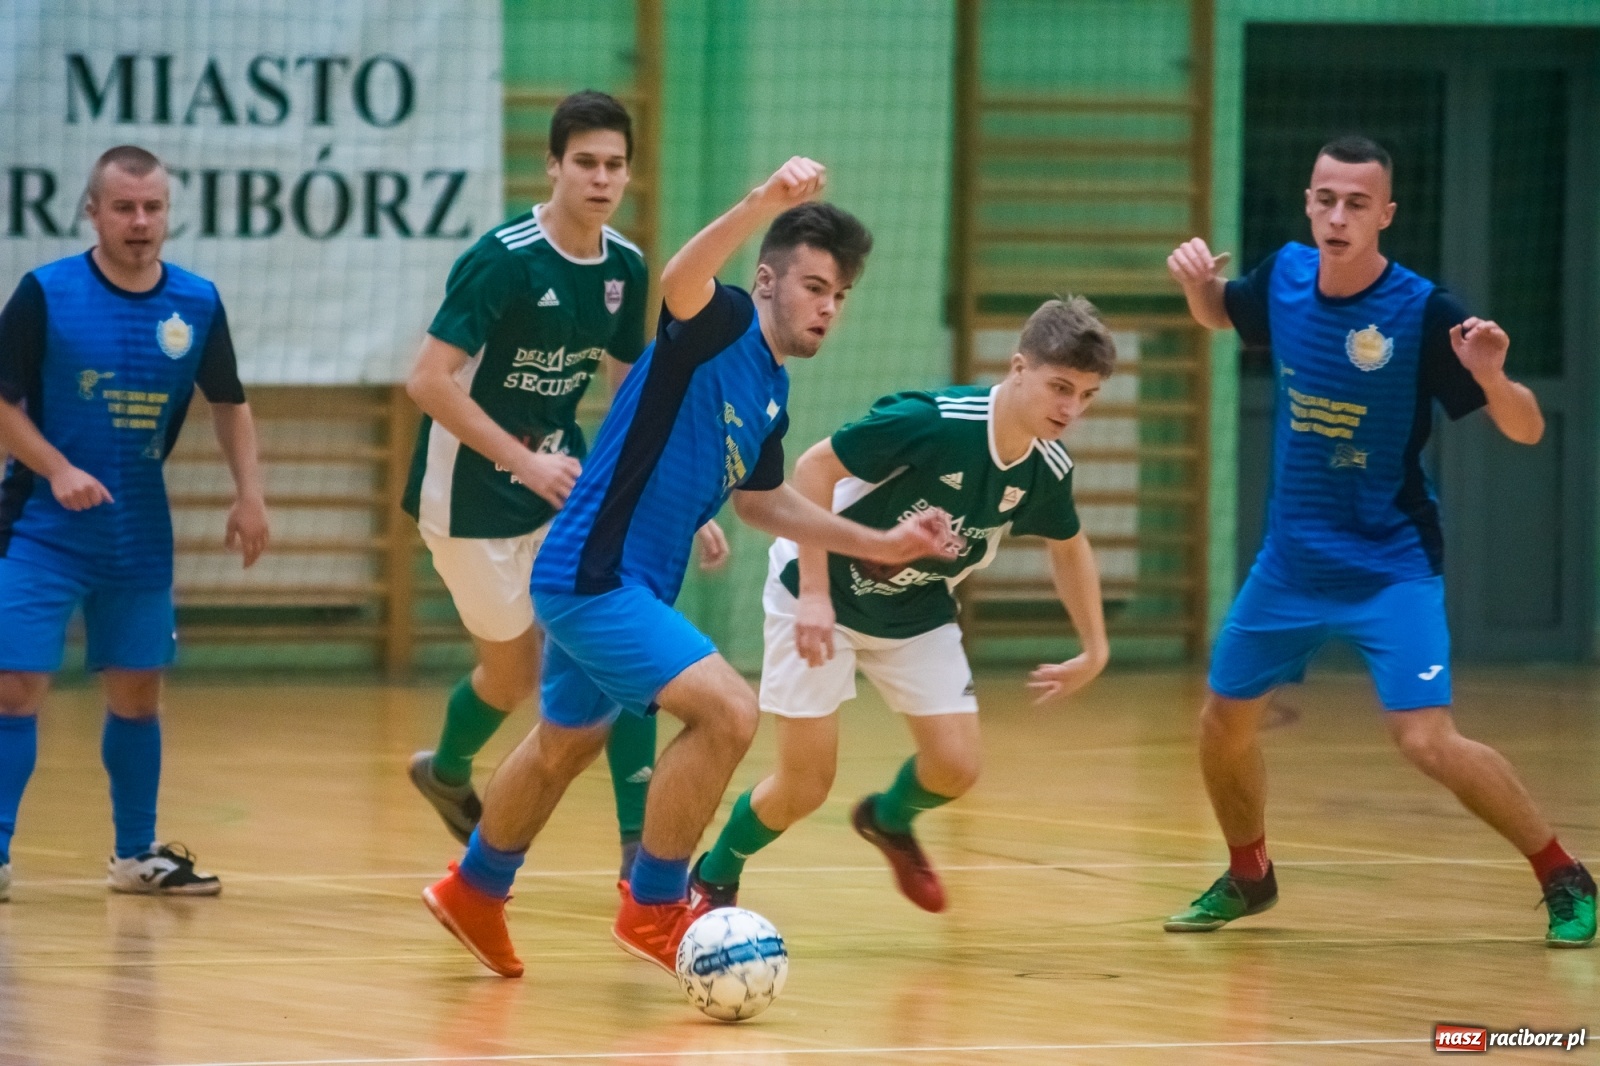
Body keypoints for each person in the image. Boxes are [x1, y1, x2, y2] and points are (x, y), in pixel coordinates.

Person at [422, 157, 963, 978]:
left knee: (565, 745)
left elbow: (764, 503)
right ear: (768, 281)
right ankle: (654, 905)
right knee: (729, 714)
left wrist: (881, 543)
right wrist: (763, 200)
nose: (828, 307)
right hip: (596, 573)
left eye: (840, 296)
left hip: (619, 581)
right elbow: (680, 278)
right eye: (815, 287)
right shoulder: (724, 321)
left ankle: (474, 889)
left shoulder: (771, 391)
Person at [1163, 134, 1594, 947]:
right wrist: (1197, 286)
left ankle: (1562, 873)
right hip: (1290, 563)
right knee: (1222, 723)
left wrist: (1493, 377)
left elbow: (1528, 429)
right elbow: (1223, 311)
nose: (1338, 216)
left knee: (1425, 739)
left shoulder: (1425, 313)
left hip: (1390, 564)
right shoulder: (1285, 276)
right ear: (1308, 204)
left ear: (1385, 214)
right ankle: (1250, 874)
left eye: (1357, 204)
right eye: (1326, 199)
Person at [695, 296, 1114, 913]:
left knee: (956, 766)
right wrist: (814, 595)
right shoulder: (934, 421)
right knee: (804, 786)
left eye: (1086, 396)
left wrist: (1095, 648)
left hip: (915, 606)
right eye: (1060, 387)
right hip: (820, 590)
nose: (1071, 409)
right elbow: (812, 471)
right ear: (1018, 367)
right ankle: (713, 874)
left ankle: (888, 820)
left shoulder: (1046, 467)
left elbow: (1069, 546)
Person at [402, 91, 726, 878]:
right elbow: (428, 381)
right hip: (470, 497)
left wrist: (675, 498)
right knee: (511, 677)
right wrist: (525, 462)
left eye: (615, 165)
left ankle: (639, 848)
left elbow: (633, 388)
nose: (601, 178)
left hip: (566, 488)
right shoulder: (504, 259)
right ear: (552, 166)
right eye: (585, 162)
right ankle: (447, 770)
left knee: (621, 640)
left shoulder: (624, 266)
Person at [0, 145, 269, 899]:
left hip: (138, 528)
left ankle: (135, 856)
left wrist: (249, 494)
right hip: (40, 527)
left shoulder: (197, 302)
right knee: (13, 686)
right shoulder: (45, 293)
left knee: (139, 693)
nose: (140, 221)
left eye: (153, 207)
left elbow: (230, 403)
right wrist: (57, 468)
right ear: (93, 212)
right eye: (123, 207)